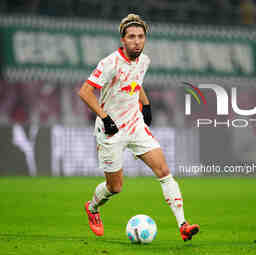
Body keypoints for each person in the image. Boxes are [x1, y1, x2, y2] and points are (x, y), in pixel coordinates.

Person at [78, 13, 199, 242]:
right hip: (110, 130)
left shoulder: (145, 60)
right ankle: (93, 207)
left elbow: (135, 81)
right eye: (131, 37)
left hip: (135, 125)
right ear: (122, 40)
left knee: (164, 172)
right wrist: (104, 118)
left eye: (141, 36)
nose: (136, 41)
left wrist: (145, 102)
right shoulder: (110, 63)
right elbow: (85, 91)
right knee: (115, 187)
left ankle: (183, 225)